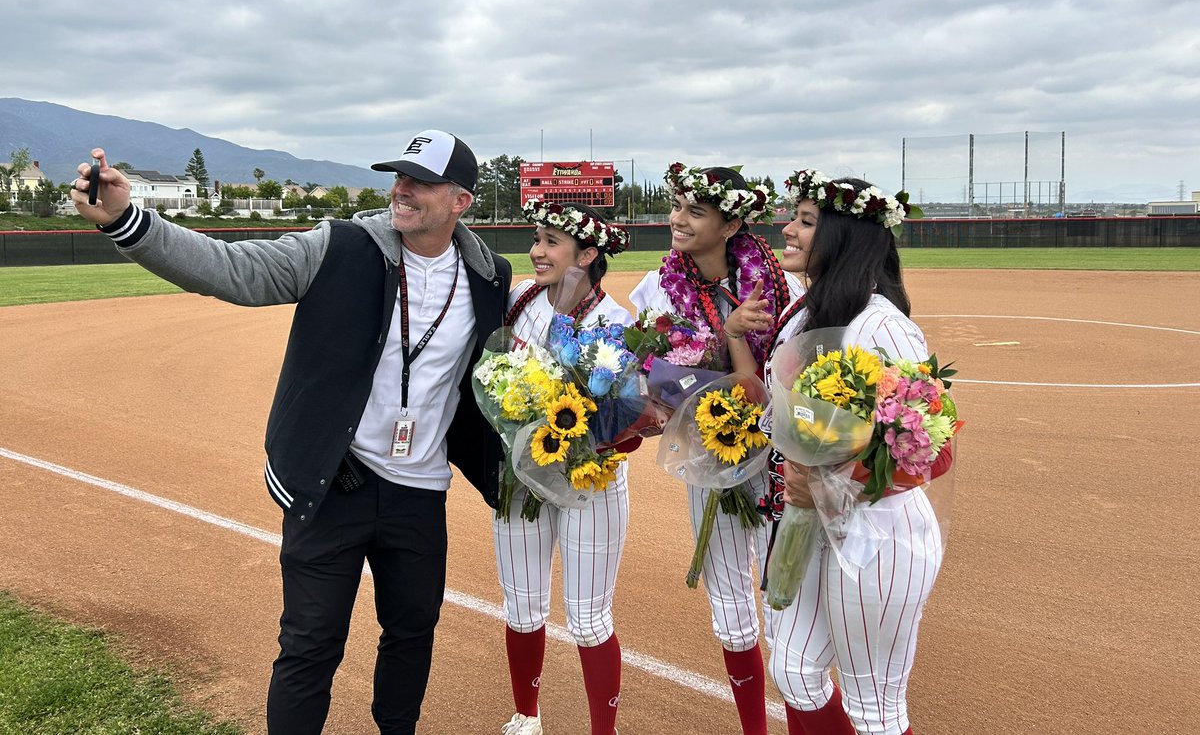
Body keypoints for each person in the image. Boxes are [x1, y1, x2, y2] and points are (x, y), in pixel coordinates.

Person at [69, 131, 512, 735]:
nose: (401, 190)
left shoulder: (488, 275)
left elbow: (500, 374)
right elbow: (233, 270)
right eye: (398, 176)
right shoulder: (339, 247)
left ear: (460, 201)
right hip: (335, 481)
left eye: (421, 181)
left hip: (420, 491)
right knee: (310, 646)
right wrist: (129, 221)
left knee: (412, 635)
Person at [728, 169, 948, 735]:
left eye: (806, 221)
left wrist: (834, 477)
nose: (789, 229)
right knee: (796, 670)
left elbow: (932, 450)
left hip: (879, 533)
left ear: (844, 237)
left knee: (874, 705)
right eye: (792, 218)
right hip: (808, 523)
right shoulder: (803, 313)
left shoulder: (883, 326)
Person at [629, 164, 800, 735]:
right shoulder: (657, 287)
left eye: (694, 211)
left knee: (785, 601)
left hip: (777, 459)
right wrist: (657, 401)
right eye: (677, 206)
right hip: (706, 452)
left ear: (731, 224)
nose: (677, 219)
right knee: (729, 606)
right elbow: (649, 370)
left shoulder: (779, 286)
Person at [494, 199, 634, 735]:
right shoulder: (520, 302)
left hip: (590, 484)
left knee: (589, 617)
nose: (537, 251)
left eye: (552, 241)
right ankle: (526, 715)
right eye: (537, 238)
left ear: (588, 253)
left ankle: (605, 730)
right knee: (522, 606)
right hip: (522, 477)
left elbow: (628, 421)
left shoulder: (616, 322)